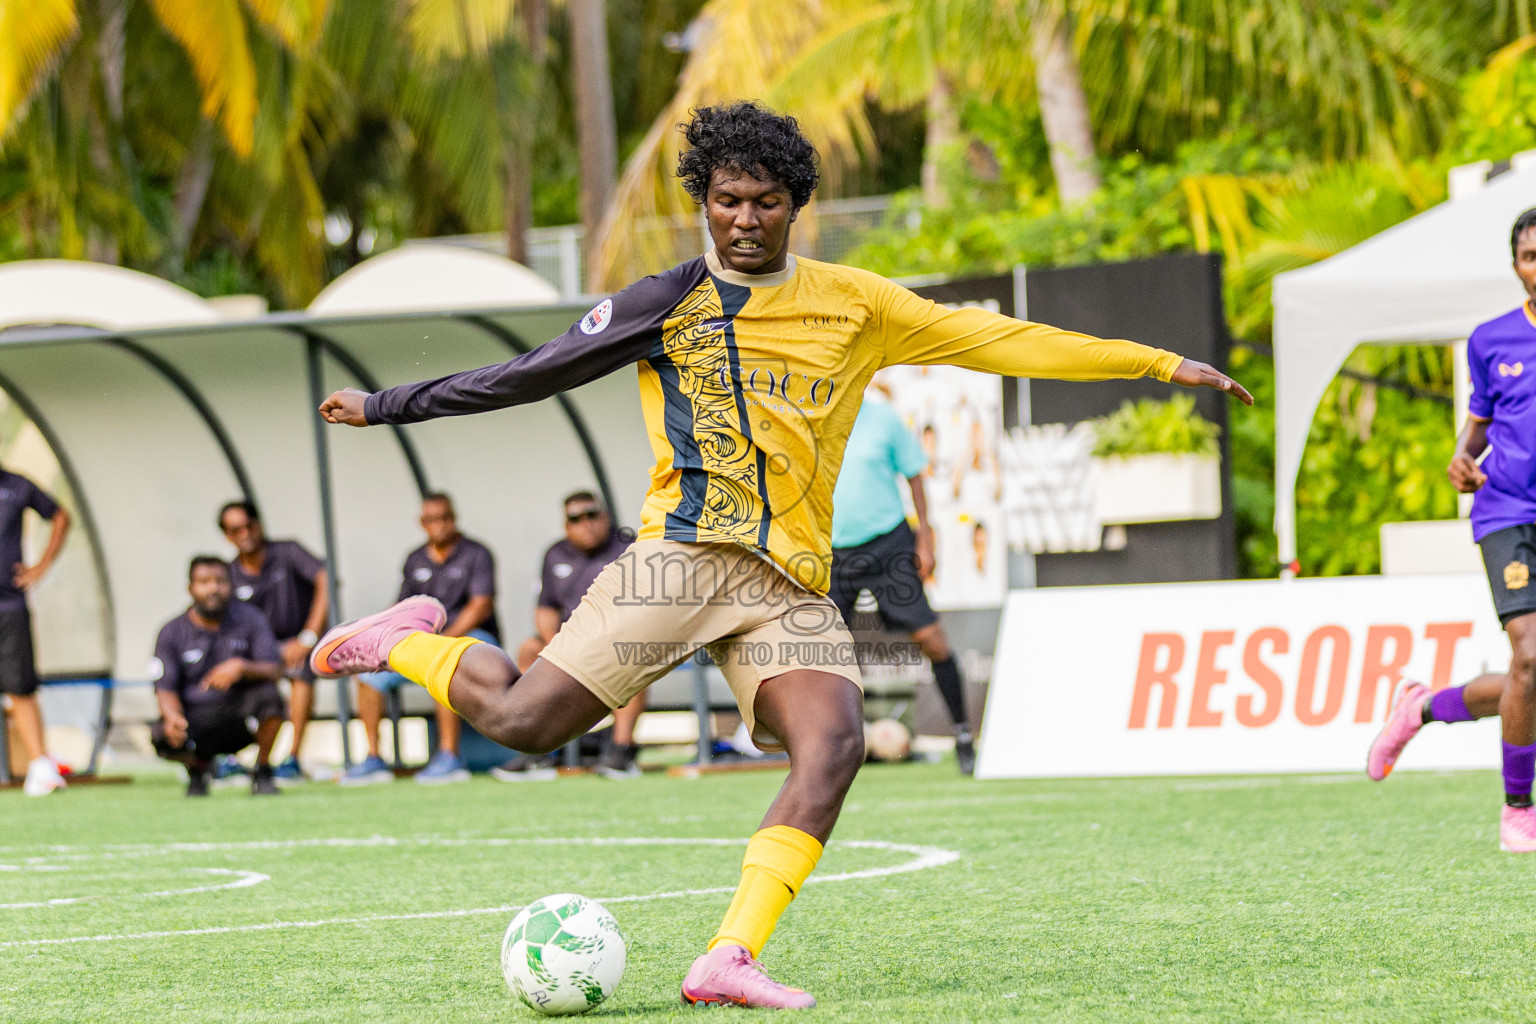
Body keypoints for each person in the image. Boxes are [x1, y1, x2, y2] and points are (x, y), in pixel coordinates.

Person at [311, 101, 1249, 1008]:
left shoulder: (858, 305)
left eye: (764, 201)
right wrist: (388, 404)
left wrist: (1158, 363)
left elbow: (997, 339)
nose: (744, 219)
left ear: (795, 206)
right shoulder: (667, 301)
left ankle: (729, 955)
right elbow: (528, 374)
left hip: (787, 585)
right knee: (521, 722)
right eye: (726, 199)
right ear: (703, 202)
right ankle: (401, 641)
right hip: (683, 560)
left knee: (833, 742)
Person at [1368, 206, 1536, 854]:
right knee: (1530, 654)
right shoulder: (1491, 339)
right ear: (1517, 267)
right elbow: (1479, 428)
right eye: (1530, 256)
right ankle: (1518, 811)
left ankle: (1422, 706)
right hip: (1508, 511)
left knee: (1531, 678)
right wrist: (1462, 459)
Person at [828, 391, 976, 775]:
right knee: (823, 651)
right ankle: (830, 747)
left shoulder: (882, 419)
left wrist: (924, 538)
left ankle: (962, 734)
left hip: (889, 544)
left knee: (932, 640)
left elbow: (914, 477)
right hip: (832, 553)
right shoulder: (807, 418)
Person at [341, 492, 499, 786]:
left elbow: (479, 606)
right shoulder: (415, 559)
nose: (439, 525)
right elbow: (403, 609)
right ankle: (375, 759)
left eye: (444, 518)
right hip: (426, 641)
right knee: (367, 677)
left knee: (442, 663)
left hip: (472, 639)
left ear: (454, 518)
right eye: (431, 520)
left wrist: (441, 642)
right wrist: (386, 645)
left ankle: (450, 757)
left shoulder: (477, 553)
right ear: (422, 523)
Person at [496, 491, 637, 781]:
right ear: (566, 525)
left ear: (606, 517)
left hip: (616, 636)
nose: (585, 524)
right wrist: (556, 644)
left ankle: (621, 751)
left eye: (592, 515)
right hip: (569, 640)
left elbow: (644, 607)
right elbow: (546, 609)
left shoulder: (628, 547)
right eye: (575, 518)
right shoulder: (555, 554)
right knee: (528, 649)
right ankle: (537, 748)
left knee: (635, 650)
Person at [149, 557, 285, 797]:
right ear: (190, 588)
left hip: (239, 714)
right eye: (204, 581)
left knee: (272, 699)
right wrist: (173, 717)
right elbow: (165, 687)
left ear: (230, 585)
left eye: (220, 581)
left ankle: (262, 770)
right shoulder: (171, 632)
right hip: (196, 717)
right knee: (160, 733)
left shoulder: (251, 619)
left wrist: (241, 666)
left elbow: (275, 669)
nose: (213, 588)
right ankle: (197, 769)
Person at [220, 501, 328, 781]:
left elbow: (325, 578)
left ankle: (292, 759)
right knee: (229, 675)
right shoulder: (229, 574)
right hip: (259, 653)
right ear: (227, 536)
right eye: (235, 529)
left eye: (248, 526)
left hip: (298, 644)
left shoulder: (288, 551)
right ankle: (233, 757)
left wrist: (307, 637)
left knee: (300, 674)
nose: (244, 533)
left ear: (259, 524)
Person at [0, 453, 72, 796]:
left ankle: (40, 766)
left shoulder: (17, 485)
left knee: (19, 684)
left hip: (9, 604)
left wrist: (40, 567)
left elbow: (60, 516)